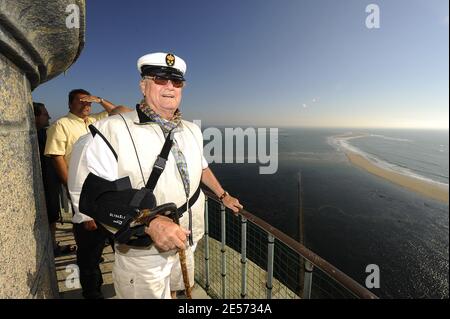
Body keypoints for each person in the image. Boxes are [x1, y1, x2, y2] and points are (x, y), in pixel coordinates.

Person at [68, 52, 243, 299]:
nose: (170, 86)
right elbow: (96, 197)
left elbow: (201, 167)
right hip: (142, 251)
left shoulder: (191, 130)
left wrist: (223, 194)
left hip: (188, 237)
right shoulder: (112, 130)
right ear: (143, 85)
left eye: (176, 81)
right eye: (160, 79)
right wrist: (151, 222)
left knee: (177, 290)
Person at [44, 89, 118, 299]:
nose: (86, 105)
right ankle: (92, 292)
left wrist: (101, 100)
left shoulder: (96, 120)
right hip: (81, 192)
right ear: (70, 104)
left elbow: (118, 113)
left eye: (89, 102)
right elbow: (57, 157)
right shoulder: (61, 125)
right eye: (81, 101)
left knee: (111, 239)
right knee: (87, 247)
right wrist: (74, 191)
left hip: (106, 193)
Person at [33, 102, 76, 256]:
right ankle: (52, 248)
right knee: (51, 217)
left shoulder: (41, 136)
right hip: (46, 187)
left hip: (49, 186)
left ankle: (52, 246)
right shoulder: (41, 137)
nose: (49, 117)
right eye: (45, 114)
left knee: (52, 217)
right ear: (34, 116)